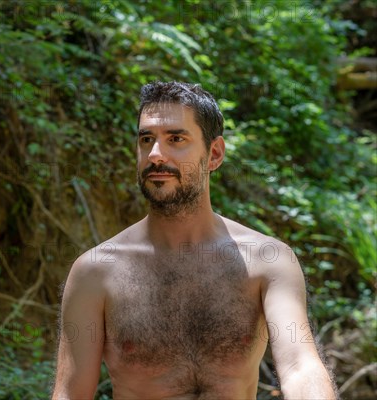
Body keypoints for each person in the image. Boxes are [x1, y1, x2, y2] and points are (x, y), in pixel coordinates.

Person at [51, 81, 339, 399]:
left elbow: (300, 366)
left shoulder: (267, 260)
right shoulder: (95, 272)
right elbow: (70, 394)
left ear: (213, 154)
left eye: (176, 139)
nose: (156, 155)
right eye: (147, 140)